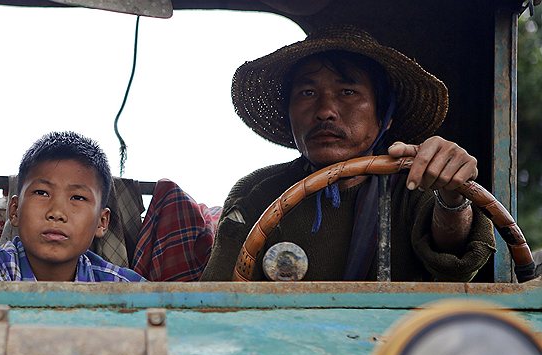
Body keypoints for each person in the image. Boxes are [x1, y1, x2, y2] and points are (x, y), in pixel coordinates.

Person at [200, 26, 495, 282]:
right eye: (307, 93)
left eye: (348, 92)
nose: (325, 111)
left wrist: (453, 198)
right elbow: (216, 300)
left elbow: (457, 263)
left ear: (385, 115)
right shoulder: (258, 191)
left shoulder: (414, 183)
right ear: (289, 112)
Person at [0, 131, 144, 307]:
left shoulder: (120, 285)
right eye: (42, 193)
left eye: (78, 197)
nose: (57, 212)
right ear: (14, 210)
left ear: (102, 222)